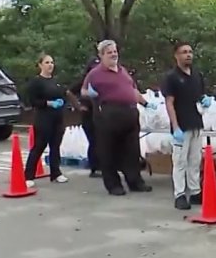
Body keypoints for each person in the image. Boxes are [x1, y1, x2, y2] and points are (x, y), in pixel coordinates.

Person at [81, 40, 159, 196]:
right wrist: (90, 94)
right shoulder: (95, 74)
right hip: (108, 115)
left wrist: (146, 103)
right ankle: (113, 185)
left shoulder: (123, 71)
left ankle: (135, 182)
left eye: (115, 51)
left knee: (132, 151)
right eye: (109, 52)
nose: (113, 54)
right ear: (101, 55)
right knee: (108, 151)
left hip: (130, 114)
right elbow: (83, 90)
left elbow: (132, 91)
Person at [162, 42, 212, 210]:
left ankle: (196, 192)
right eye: (184, 52)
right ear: (176, 56)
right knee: (180, 161)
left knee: (195, 160)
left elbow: (200, 96)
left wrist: (205, 101)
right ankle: (180, 194)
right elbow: (169, 103)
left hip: (196, 124)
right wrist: (175, 127)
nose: (188, 55)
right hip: (181, 126)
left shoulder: (197, 75)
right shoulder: (172, 78)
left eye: (190, 52)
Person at [24, 54, 74, 187]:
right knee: (39, 146)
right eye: (47, 62)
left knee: (55, 146)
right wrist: (48, 103)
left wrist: (63, 102)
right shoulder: (36, 82)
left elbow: (63, 94)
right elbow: (33, 101)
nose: (50, 65)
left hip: (57, 118)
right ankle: (28, 175)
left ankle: (55, 173)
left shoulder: (56, 81)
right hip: (43, 118)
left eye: (52, 62)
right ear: (40, 65)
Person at [73, 46, 103, 177]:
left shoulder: (101, 81)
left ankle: (102, 165)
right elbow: (69, 91)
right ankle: (94, 168)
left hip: (101, 114)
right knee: (94, 140)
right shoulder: (84, 81)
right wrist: (78, 105)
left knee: (102, 140)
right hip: (88, 114)